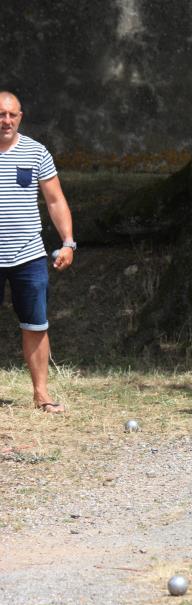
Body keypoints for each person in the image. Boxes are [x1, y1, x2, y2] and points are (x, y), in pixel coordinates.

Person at [0, 91, 76, 414]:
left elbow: (55, 200)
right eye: (0, 115)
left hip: (28, 255)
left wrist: (68, 241)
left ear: (21, 116)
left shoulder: (36, 152)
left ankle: (41, 394)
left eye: (11, 115)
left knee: (35, 325)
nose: (5, 121)